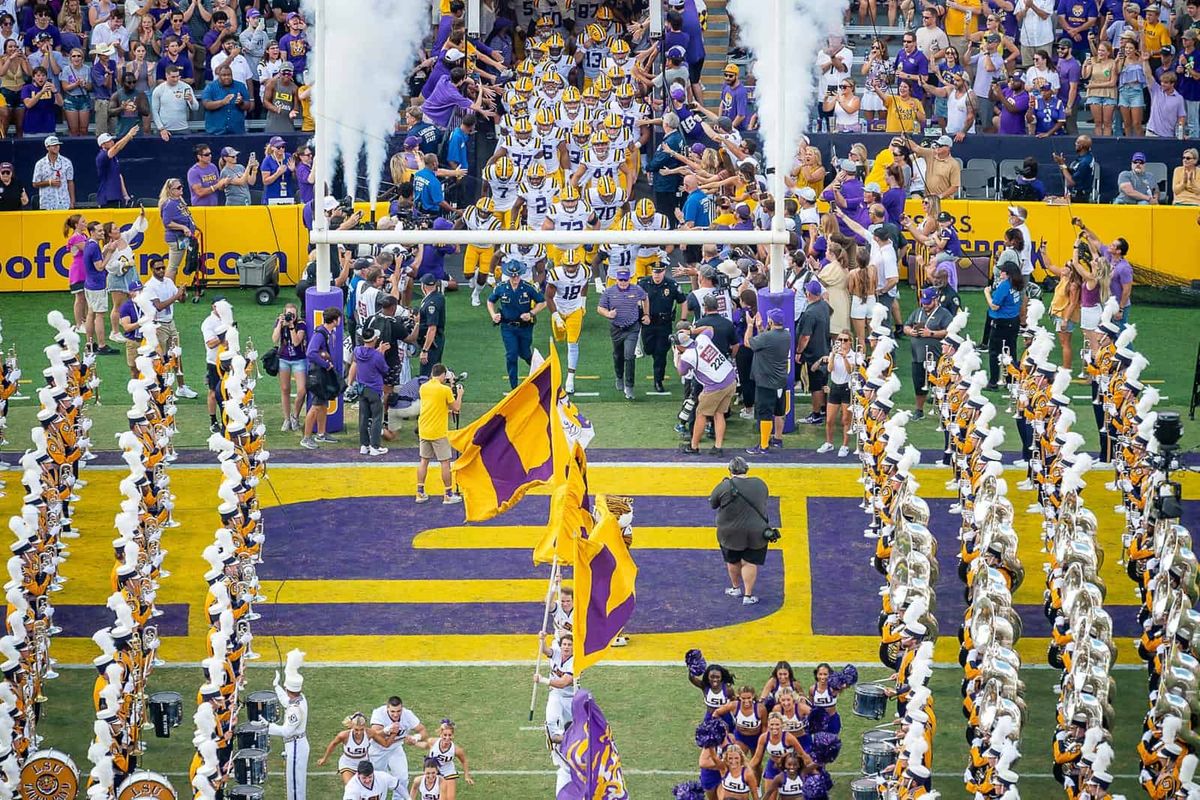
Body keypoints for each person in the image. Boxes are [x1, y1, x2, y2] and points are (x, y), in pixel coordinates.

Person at [709, 456, 773, 606]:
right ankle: (748, 595)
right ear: (747, 469)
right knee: (750, 562)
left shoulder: (725, 486)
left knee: (732, 560)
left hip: (730, 532)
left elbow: (713, 503)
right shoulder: (760, 484)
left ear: (730, 470)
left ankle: (736, 588)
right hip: (757, 531)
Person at [674, 322, 736, 456]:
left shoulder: (688, 356)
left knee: (701, 414)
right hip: (730, 378)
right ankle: (718, 446)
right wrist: (692, 332)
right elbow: (710, 328)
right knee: (719, 414)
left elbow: (681, 371)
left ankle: (694, 446)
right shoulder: (702, 338)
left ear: (679, 346)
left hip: (716, 385)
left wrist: (678, 355)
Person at [143, 255, 198, 397]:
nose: (161, 270)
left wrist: (182, 294)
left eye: (163, 267)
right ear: (152, 269)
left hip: (170, 322)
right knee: (161, 358)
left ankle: (181, 386)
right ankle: (164, 388)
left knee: (176, 355)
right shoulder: (149, 287)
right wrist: (177, 295)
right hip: (158, 325)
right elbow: (159, 306)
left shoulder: (168, 282)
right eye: (158, 268)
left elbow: (181, 300)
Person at [488, 260, 546, 389]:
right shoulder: (501, 288)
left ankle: (540, 370)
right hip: (508, 327)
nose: (515, 278)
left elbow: (542, 302)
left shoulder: (528, 287)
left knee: (525, 353)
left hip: (525, 327)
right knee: (511, 355)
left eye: (517, 275)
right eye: (512, 275)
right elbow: (490, 301)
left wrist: (531, 313)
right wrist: (493, 315)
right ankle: (513, 387)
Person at [742, 307, 792, 454]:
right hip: (780, 381)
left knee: (765, 413)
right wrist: (760, 328)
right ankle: (777, 439)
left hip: (766, 382)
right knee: (778, 412)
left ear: (770, 320)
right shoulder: (786, 335)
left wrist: (750, 325)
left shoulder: (768, 337)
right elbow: (767, 341)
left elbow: (748, 342)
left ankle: (763, 445)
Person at [597, 267, 650, 401]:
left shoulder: (636, 289)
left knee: (629, 356)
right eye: (620, 280)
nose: (623, 282)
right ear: (616, 279)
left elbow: (645, 298)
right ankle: (619, 376)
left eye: (625, 280)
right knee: (618, 355)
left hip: (632, 328)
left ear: (629, 279)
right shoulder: (609, 292)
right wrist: (608, 314)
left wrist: (646, 314)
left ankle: (629, 386)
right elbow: (600, 308)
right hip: (616, 328)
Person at [903, 287, 954, 419]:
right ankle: (919, 410)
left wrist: (930, 333)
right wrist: (911, 332)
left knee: (941, 384)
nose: (925, 305)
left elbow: (949, 331)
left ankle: (945, 409)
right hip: (918, 356)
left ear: (935, 300)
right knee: (918, 384)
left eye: (928, 302)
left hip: (936, 357)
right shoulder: (917, 312)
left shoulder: (944, 314)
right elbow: (906, 326)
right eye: (923, 302)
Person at [416, 364, 463, 505]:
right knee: (445, 462)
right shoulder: (445, 390)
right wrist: (459, 394)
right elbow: (456, 408)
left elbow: (435, 405)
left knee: (424, 460)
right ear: (443, 375)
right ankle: (448, 494)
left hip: (424, 429)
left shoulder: (423, 388)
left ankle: (420, 492)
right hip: (438, 431)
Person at [545, 250, 591, 394]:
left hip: (575, 309)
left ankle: (570, 378)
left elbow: (585, 285)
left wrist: (583, 302)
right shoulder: (555, 274)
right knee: (560, 339)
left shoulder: (584, 271)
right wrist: (557, 317)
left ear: (578, 264)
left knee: (572, 343)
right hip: (559, 308)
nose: (571, 269)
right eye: (568, 266)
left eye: (573, 266)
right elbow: (548, 297)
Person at [639, 262, 687, 393]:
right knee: (649, 349)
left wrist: (683, 320)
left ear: (664, 271)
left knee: (660, 354)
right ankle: (655, 361)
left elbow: (683, 301)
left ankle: (658, 380)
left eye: (659, 272)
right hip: (648, 323)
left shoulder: (671, 285)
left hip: (664, 324)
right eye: (655, 272)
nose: (657, 275)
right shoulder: (643, 284)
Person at [267, 654, 309, 800]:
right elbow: (287, 702)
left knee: (295, 786)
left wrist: (268, 727)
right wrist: (276, 686)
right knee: (295, 783)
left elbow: (285, 731)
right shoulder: (300, 698)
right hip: (297, 744)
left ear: (288, 689)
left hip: (295, 745)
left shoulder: (295, 710)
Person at [300, 307, 342, 449]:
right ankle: (306, 438)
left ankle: (321, 433)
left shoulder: (326, 332)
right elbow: (310, 353)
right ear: (335, 320)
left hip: (322, 373)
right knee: (316, 406)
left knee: (323, 404)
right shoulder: (320, 334)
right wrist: (325, 364)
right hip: (318, 374)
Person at [369, 697, 426, 800]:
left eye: (398, 711)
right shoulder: (379, 713)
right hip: (378, 750)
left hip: (396, 748)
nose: (396, 714)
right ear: (387, 708)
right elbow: (374, 734)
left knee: (402, 778)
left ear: (402, 708)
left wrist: (415, 738)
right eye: (392, 711)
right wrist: (386, 730)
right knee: (378, 780)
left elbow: (423, 730)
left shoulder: (407, 714)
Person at [347, 328, 390, 457]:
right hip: (374, 389)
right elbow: (384, 369)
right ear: (374, 340)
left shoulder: (357, 351)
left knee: (363, 417)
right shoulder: (377, 356)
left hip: (362, 388)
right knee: (377, 418)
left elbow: (367, 356)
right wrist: (381, 352)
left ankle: (364, 445)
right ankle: (375, 446)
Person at [983, 261, 1024, 390]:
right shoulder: (1016, 284)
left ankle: (994, 382)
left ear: (1008, 274)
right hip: (1013, 321)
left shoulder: (1005, 286)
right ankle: (1011, 379)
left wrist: (987, 293)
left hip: (1001, 323)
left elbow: (995, 306)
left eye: (1003, 271)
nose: (1000, 273)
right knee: (1010, 350)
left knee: (994, 352)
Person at [795, 281, 831, 427]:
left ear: (808, 294)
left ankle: (816, 415)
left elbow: (805, 337)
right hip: (824, 349)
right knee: (822, 383)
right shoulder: (824, 305)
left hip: (813, 355)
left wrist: (798, 351)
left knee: (815, 386)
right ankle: (823, 409)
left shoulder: (810, 313)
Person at [316, 713, 387, 785]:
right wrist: (324, 758)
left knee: (366, 788)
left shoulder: (370, 733)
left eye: (361, 729)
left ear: (365, 726)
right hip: (347, 764)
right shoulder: (344, 735)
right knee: (350, 787)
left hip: (363, 764)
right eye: (356, 729)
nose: (359, 733)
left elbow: (385, 744)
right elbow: (333, 744)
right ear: (352, 726)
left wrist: (393, 733)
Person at [411, 721, 474, 800]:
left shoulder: (456, 749)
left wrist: (466, 776)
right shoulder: (433, 742)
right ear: (441, 734)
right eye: (445, 735)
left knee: (450, 798)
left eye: (450, 735)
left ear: (453, 735)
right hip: (433, 771)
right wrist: (414, 743)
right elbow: (425, 745)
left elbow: (464, 761)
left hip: (448, 773)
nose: (447, 738)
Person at [81, 220, 117, 354]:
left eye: (102, 230)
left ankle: (90, 343)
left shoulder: (89, 244)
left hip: (89, 284)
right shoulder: (94, 247)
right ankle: (101, 346)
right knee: (99, 316)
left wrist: (106, 250)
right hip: (97, 286)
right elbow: (100, 266)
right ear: (92, 232)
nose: (103, 233)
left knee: (91, 314)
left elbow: (96, 261)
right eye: (99, 231)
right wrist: (110, 253)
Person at [818, 330, 855, 457]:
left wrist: (844, 356)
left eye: (845, 340)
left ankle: (845, 445)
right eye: (840, 339)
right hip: (835, 387)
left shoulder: (853, 355)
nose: (842, 342)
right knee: (829, 420)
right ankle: (829, 443)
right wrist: (833, 355)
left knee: (846, 419)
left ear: (850, 342)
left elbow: (850, 371)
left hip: (847, 388)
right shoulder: (833, 353)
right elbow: (829, 369)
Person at [272, 303, 307, 432]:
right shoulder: (280, 322)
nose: (290, 316)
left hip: (298, 359)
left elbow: (297, 342)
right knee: (285, 389)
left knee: (302, 390)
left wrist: (292, 326)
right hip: (284, 359)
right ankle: (287, 419)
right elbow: (274, 339)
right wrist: (280, 325)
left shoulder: (301, 324)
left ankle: (295, 416)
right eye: (288, 314)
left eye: (293, 314)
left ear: (296, 314)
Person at [158, 177, 195, 281]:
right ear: (171, 190)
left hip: (182, 238)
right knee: (173, 267)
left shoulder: (178, 200)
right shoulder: (169, 204)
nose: (181, 189)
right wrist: (183, 227)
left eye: (181, 186)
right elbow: (167, 222)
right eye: (178, 188)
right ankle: (166, 290)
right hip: (176, 238)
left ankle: (172, 291)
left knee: (174, 266)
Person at [200, 62, 252, 135]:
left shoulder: (240, 86)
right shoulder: (210, 87)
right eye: (224, 75)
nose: (227, 77)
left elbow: (248, 105)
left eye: (229, 75)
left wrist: (241, 103)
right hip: (216, 131)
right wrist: (222, 102)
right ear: (219, 76)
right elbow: (206, 104)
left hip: (236, 131)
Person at [150, 65, 197, 140]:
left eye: (177, 76)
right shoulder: (159, 90)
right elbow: (154, 111)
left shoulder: (186, 87)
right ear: (166, 75)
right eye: (173, 77)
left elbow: (195, 108)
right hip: (165, 130)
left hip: (183, 128)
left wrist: (191, 101)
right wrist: (161, 128)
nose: (175, 79)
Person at [95, 127, 136, 208]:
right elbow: (117, 147)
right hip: (108, 197)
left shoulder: (114, 158)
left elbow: (118, 176)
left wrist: (125, 195)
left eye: (112, 140)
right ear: (103, 145)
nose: (112, 142)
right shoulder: (102, 156)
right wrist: (128, 135)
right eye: (109, 141)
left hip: (116, 196)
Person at [31, 135, 74, 211]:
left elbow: (70, 182)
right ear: (47, 147)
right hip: (47, 203)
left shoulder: (67, 162)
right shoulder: (40, 164)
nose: (56, 147)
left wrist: (72, 201)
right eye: (53, 145)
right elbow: (35, 183)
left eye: (57, 145)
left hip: (64, 202)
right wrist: (49, 182)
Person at [415, 274, 445, 378]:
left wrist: (425, 350)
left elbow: (432, 328)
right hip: (436, 339)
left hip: (432, 342)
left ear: (423, 286)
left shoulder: (430, 304)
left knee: (426, 374)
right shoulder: (437, 297)